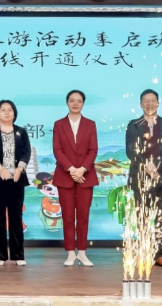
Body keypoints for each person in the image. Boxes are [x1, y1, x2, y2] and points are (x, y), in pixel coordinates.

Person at [125, 89, 162, 268]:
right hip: (140, 177)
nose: (149, 103)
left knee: (161, 218)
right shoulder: (133, 125)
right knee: (143, 217)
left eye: (152, 100)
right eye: (146, 101)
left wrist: (157, 167)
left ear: (158, 103)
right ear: (140, 104)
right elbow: (131, 150)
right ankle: (144, 253)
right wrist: (147, 165)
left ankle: (159, 254)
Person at [52, 90, 99, 267]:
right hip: (65, 176)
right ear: (67, 103)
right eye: (72, 100)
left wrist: (83, 169)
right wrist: (72, 169)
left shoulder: (90, 124)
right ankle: (71, 253)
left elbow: (93, 150)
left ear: (83, 103)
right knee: (68, 216)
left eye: (79, 101)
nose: (75, 103)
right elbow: (57, 150)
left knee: (83, 216)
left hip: (86, 177)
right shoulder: (59, 124)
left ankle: (83, 253)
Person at [0, 100, 31, 266]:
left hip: (17, 180)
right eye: (3, 110)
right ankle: (0, 256)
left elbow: (26, 152)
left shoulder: (21, 132)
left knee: (16, 217)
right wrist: (0, 169)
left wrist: (20, 169)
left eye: (10, 110)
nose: (7, 112)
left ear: (14, 113)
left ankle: (18, 255)